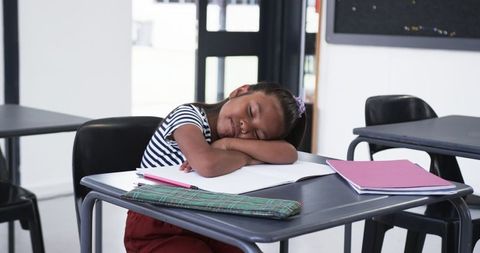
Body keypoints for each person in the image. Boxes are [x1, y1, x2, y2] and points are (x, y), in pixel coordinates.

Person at [124, 82, 307, 253]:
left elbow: (289, 152)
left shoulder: (229, 139)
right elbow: (207, 165)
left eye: (257, 133)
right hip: (155, 221)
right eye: (251, 111)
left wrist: (227, 144)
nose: (245, 127)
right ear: (240, 91)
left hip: (206, 218)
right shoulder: (187, 115)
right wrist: (247, 158)